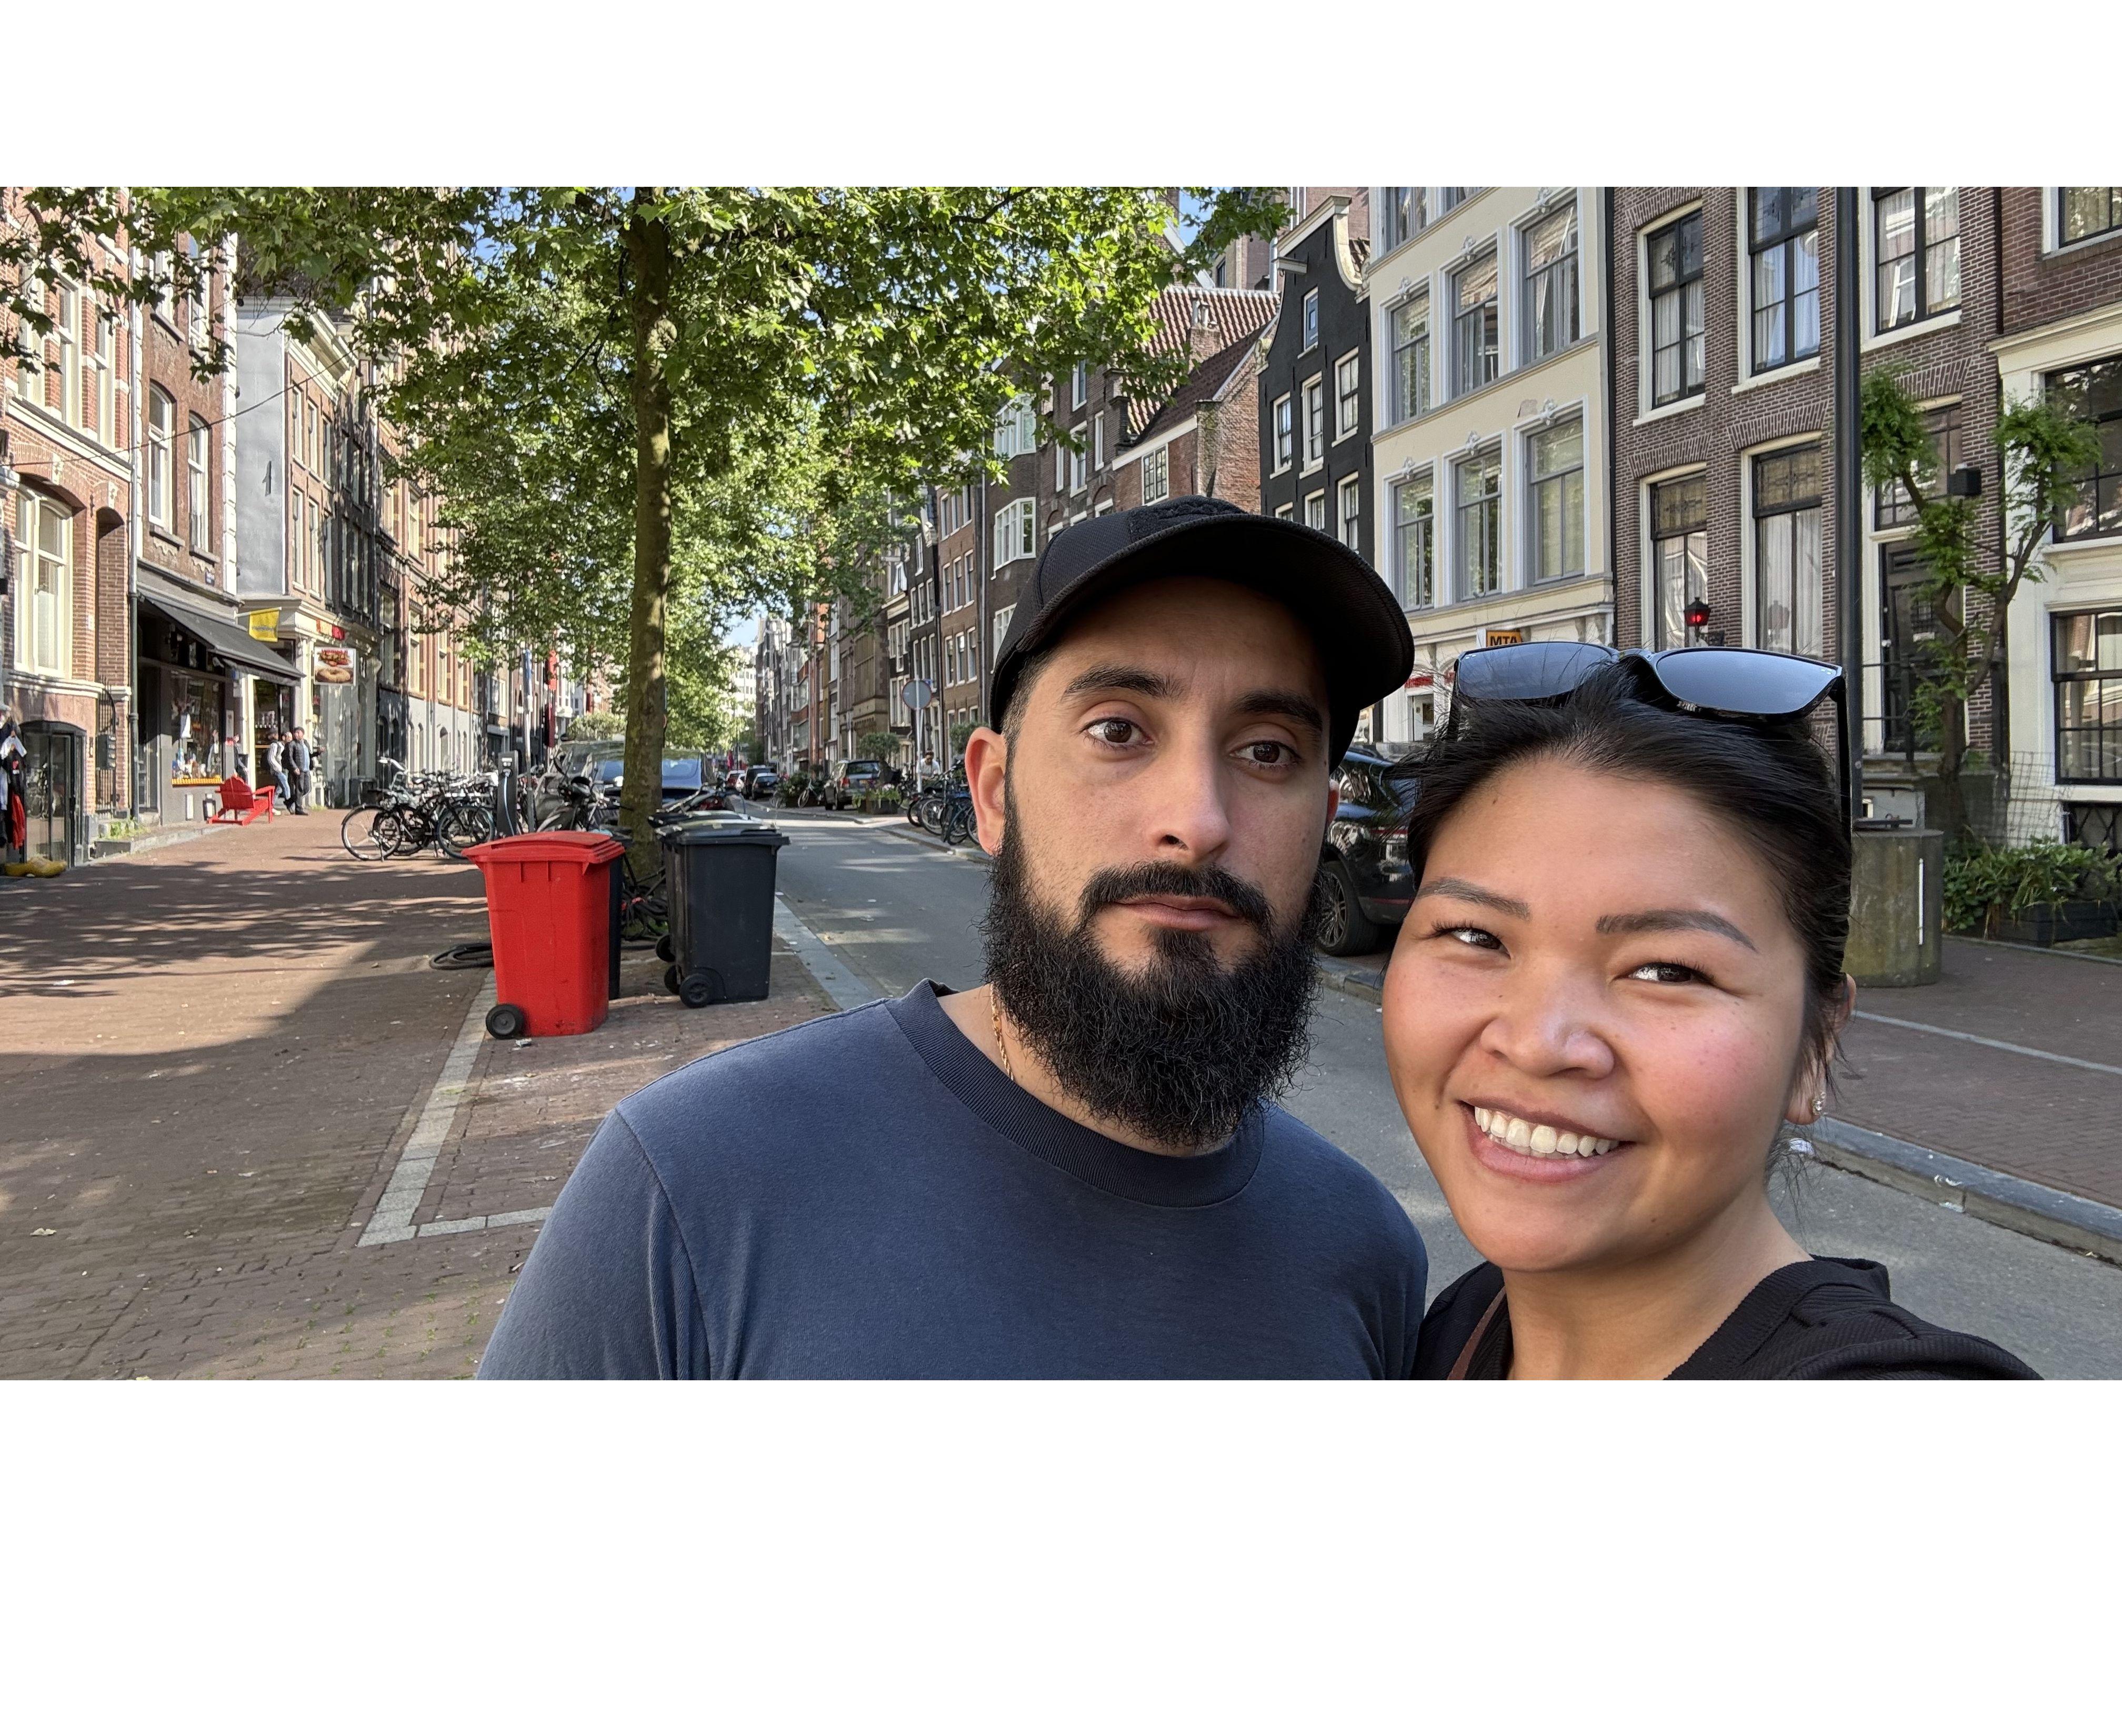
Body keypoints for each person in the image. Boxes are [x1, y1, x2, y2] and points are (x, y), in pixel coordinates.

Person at [481, 496, 1427, 1378]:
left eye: (1268, 750)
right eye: (1117, 729)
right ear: (991, 794)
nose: (1197, 818)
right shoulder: (689, 1184)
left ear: (1323, 816)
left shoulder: (1367, 1257)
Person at [1391, 646, 2036, 1380]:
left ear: (1816, 1045)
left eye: (1668, 970)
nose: (1539, 1043)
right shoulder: (1463, 1324)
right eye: (1476, 936)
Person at [284, 725, 312, 814]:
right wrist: (295, 768)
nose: (296, 735)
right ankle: (299, 809)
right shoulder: (292, 744)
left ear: (302, 734)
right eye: (295, 733)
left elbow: (310, 755)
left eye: (298, 733)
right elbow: (290, 758)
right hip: (299, 770)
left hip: (306, 769)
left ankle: (289, 802)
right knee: (299, 789)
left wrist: (318, 752)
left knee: (307, 789)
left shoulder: (306, 743)